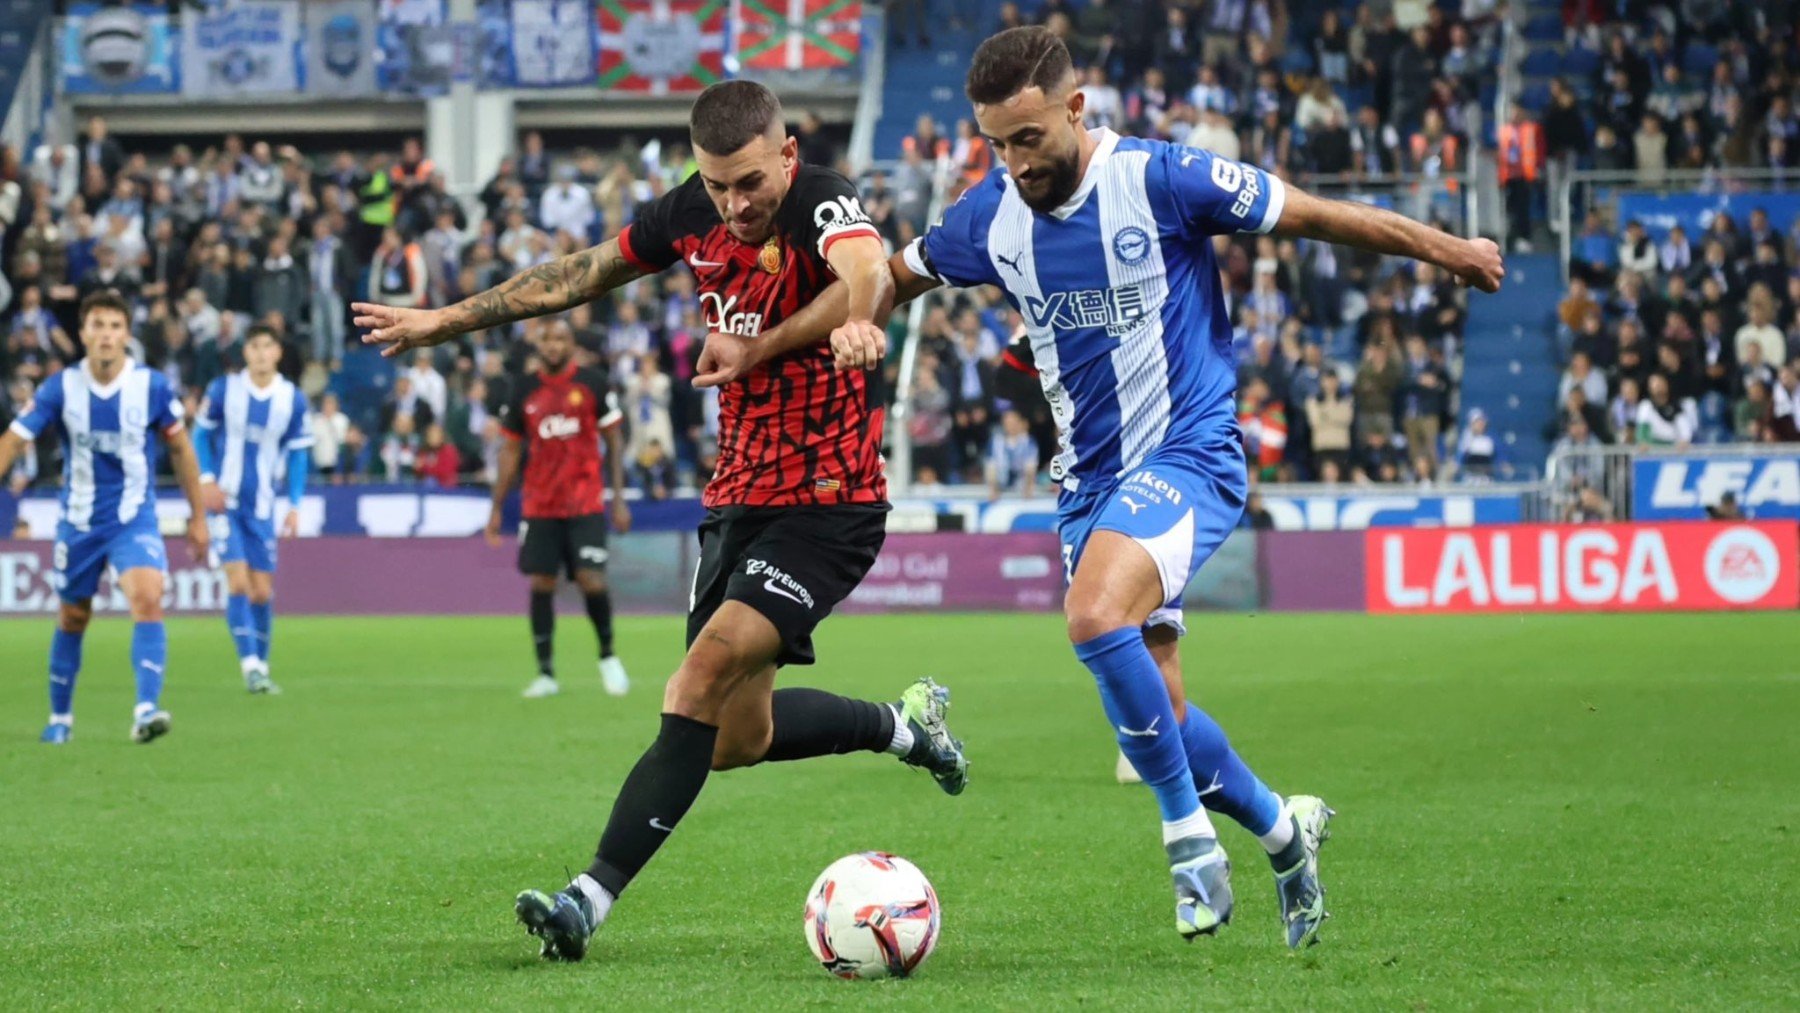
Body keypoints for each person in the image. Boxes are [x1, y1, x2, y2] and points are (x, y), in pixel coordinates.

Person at [727, 27, 1504, 949]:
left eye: (1029, 138)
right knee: (1161, 712)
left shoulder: (1166, 179)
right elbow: (892, 276)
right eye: (996, 143)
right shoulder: (989, 217)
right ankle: (1288, 835)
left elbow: (1318, 214)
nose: (1015, 162)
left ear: (1076, 109)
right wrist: (854, 321)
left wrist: (1447, 248)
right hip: (1088, 487)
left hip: (1190, 453)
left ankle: (1189, 846)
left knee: (1094, 617)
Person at [353, 80, 969, 961]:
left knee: (694, 682)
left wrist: (865, 322)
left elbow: (868, 267)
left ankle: (585, 900)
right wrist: (442, 320)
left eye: (750, 182)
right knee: (732, 738)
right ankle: (906, 725)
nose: (736, 203)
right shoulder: (692, 213)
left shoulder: (820, 197)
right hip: (738, 499)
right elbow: (576, 275)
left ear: (786, 156)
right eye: (718, 186)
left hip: (830, 503)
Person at [0, 290, 210, 743]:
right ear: (83, 334)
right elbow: (15, 441)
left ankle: (145, 710)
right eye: (97, 325)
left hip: (134, 517)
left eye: (115, 326)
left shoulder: (151, 386)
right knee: (74, 616)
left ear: (126, 334)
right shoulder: (60, 387)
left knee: (148, 596)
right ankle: (60, 719)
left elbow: (181, 450)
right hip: (78, 522)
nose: (107, 335)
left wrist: (198, 516)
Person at [488, 319, 632, 699]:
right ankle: (546, 673)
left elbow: (614, 441)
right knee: (542, 583)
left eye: (560, 339)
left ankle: (608, 657)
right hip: (540, 504)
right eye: (546, 339)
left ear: (572, 344)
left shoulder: (593, 383)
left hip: (585, 500)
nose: (553, 345)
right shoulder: (523, 389)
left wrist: (618, 498)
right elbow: (510, 451)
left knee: (591, 580)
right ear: (538, 345)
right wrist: (497, 507)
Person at [193, 325, 312, 695]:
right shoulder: (223, 389)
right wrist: (206, 479)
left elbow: (298, 454)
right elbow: (199, 435)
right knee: (239, 583)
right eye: (254, 346)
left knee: (261, 592)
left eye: (267, 346)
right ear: (246, 353)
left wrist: (294, 504)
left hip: (261, 506)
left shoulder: (292, 399)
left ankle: (261, 665)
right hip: (223, 502)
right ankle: (249, 667)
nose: (261, 353)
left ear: (278, 352)